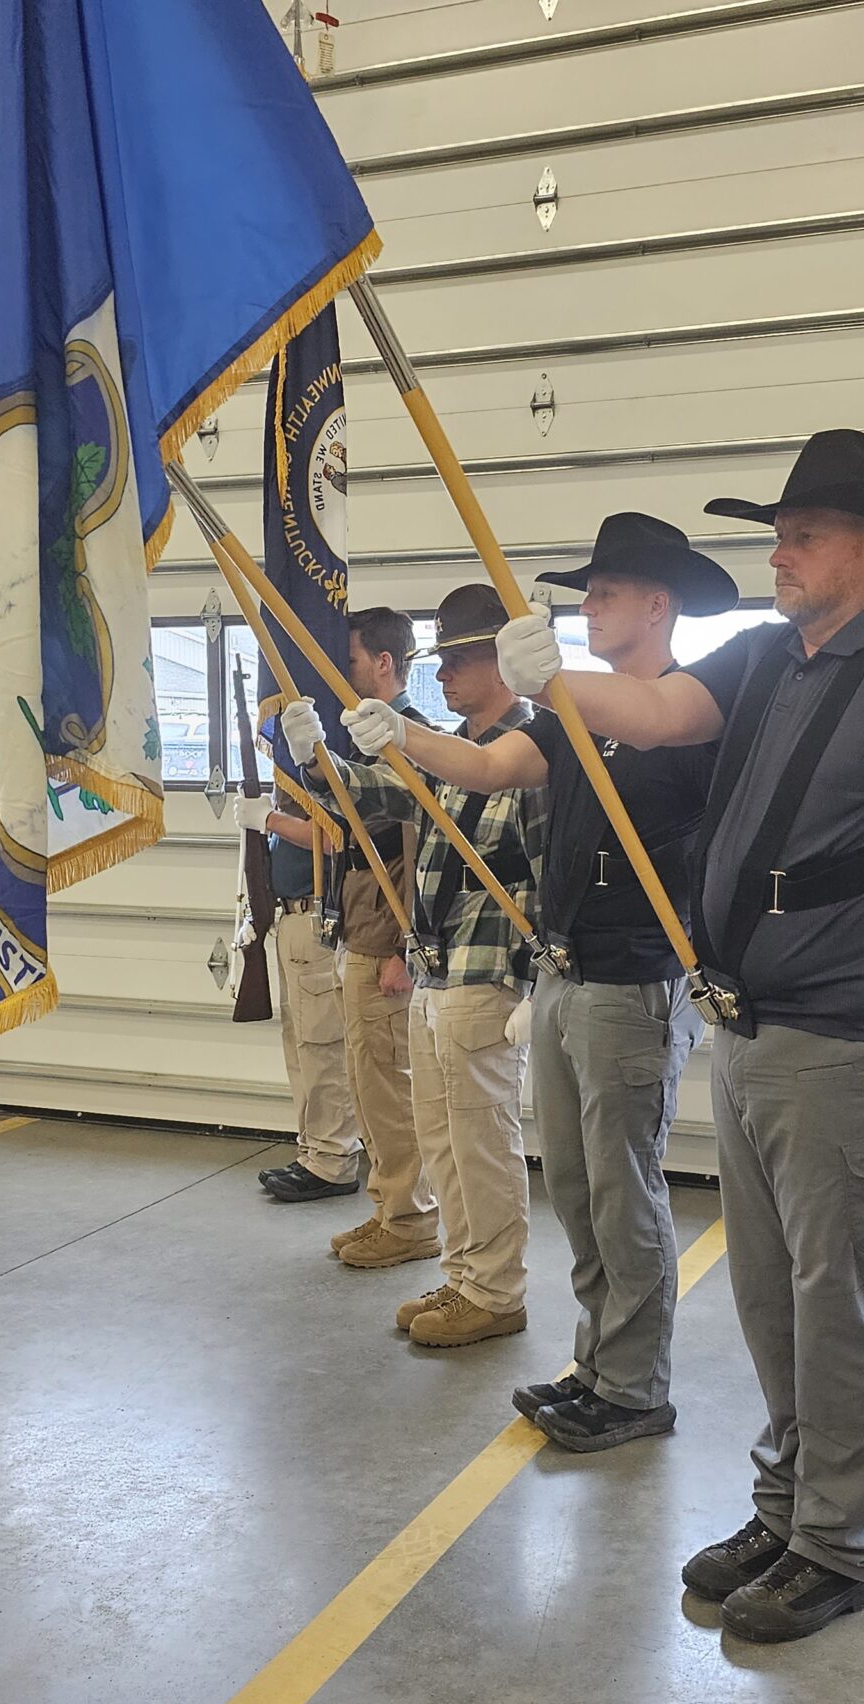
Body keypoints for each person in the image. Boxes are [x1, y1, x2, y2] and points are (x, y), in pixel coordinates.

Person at [492, 432, 864, 1642]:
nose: (780, 553)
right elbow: (659, 712)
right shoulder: (772, 655)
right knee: (771, 1297)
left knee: (840, 1303)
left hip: (847, 1039)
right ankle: (785, 1506)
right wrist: (551, 678)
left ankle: (840, 1541)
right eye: (777, 534)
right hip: (753, 1028)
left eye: (804, 535)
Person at [344, 515, 730, 1451]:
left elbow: (645, 715)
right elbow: (484, 766)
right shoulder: (567, 717)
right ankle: (598, 1365)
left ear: (657, 604)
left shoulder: (693, 701)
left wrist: (550, 680)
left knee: (622, 1190)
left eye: (605, 594)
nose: (589, 607)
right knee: (576, 1183)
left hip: (636, 977)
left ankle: (634, 1388)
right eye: (586, 593)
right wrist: (401, 737)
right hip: (565, 972)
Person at [283, 584, 547, 1350]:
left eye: (463, 658)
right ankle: (465, 1274)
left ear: (503, 662)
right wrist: (320, 757)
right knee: (442, 1138)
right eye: (448, 658)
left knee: (479, 1140)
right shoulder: (452, 748)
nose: (449, 674)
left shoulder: (530, 749)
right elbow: (372, 793)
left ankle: (497, 1289)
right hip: (440, 970)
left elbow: (522, 830)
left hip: (487, 972)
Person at [328, 607, 439, 1273]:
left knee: (390, 1087)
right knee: (367, 1082)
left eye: (351, 662)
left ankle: (410, 1216)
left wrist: (405, 944)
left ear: (384, 665)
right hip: (362, 925)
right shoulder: (377, 742)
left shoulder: (412, 742)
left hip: (386, 936)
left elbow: (419, 848)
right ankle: (387, 1205)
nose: (346, 677)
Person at [256, 788, 363, 1203]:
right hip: (292, 917)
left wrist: (270, 821)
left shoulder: (326, 771)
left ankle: (333, 1158)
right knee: (300, 1046)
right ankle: (313, 1150)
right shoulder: (296, 778)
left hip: (317, 916)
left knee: (323, 1047)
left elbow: (337, 835)